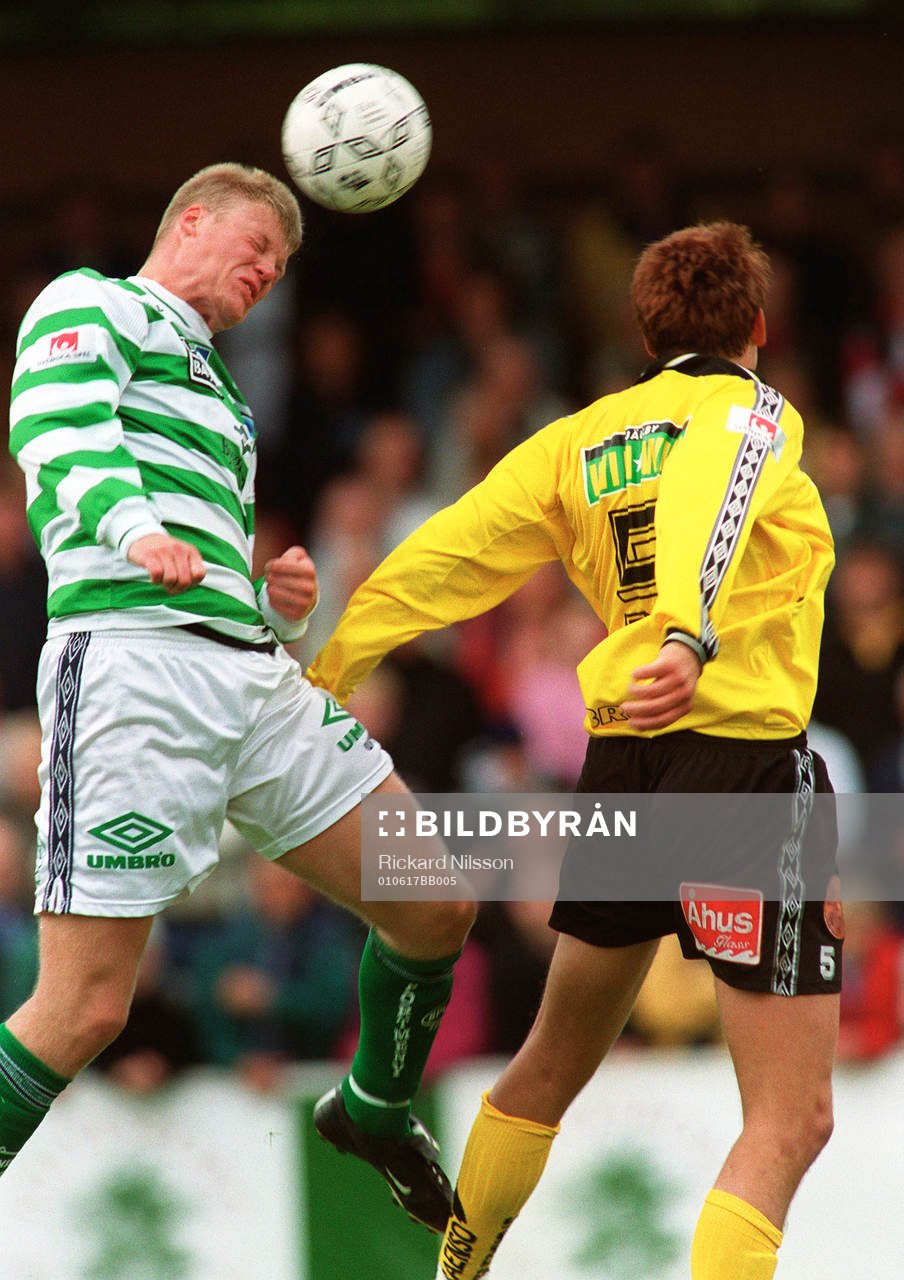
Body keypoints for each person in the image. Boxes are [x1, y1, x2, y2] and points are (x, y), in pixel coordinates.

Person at [305, 222, 842, 1279]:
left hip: (623, 768)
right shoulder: (753, 411)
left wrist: (329, 667)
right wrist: (688, 633)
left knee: (547, 1062)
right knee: (791, 1119)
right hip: (736, 763)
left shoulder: (579, 439)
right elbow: (708, 498)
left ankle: (452, 1273)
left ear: (642, 332)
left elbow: (449, 550)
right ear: (758, 328)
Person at [5, 162, 475, 1235]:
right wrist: (134, 533)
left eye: (281, 264)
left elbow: (202, 550)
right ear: (193, 220)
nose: (269, 271)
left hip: (247, 674)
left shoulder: (219, 393)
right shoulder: (92, 301)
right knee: (84, 1004)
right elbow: (57, 429)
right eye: (258, 245)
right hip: (133, 667)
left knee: (434, 898)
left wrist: (273, 599)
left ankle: (374, 1103)